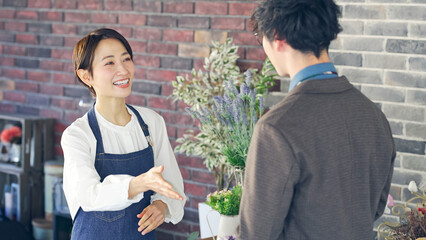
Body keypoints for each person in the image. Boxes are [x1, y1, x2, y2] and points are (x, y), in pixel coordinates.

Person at [237, 0, 396, 239]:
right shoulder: (374, 116)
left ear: (278, 37)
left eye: (261, 38)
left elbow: (256, 233)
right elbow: (375, 207)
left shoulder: (277, 128)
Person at [61, 28, 186, 240]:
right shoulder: (77, 135)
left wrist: (161, 205)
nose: (123, 69)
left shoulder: (151, 123)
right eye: (110, 63)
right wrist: (140, 183)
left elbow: (172, 186)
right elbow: (89, 195)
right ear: (86, 76)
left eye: (126, 59)